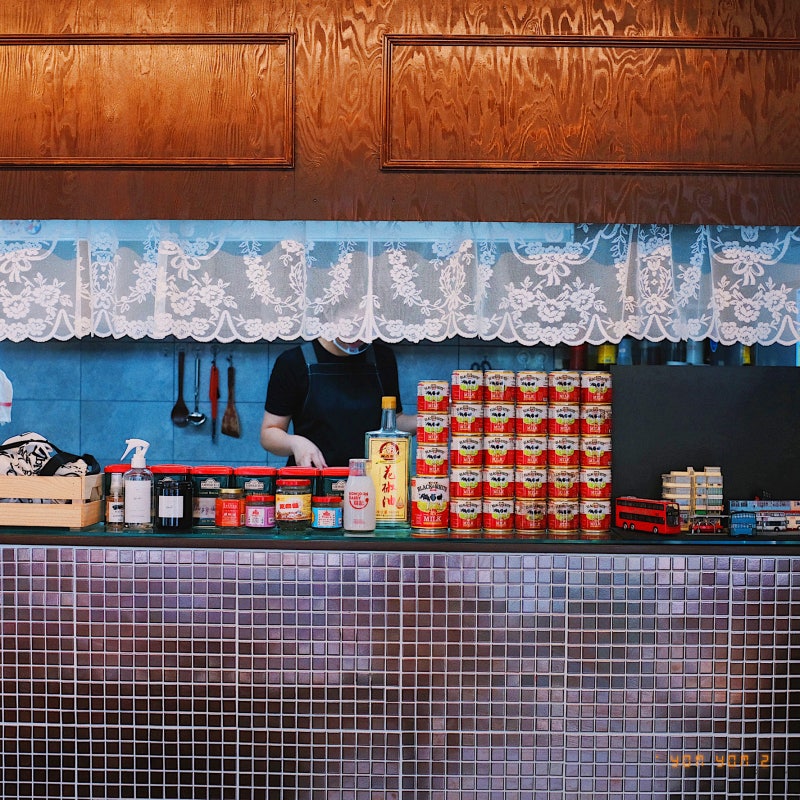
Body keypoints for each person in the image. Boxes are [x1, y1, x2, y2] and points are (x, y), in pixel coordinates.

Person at [260, 337, 417, 468]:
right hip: (313, 486)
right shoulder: (293, 362)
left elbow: (392, 422)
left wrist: (430, 420)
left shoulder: (383, 358)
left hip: (370, 483)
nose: (356, 335)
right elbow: (269, 433)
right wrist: (296, 443)